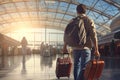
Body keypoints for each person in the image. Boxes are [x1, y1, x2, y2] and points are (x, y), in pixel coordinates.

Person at [62, 4, 100, 80]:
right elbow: (94, 35)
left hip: (75, 48)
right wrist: (96, 49)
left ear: (77, 11)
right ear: (85, 11)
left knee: (76, 66)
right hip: (86, 48)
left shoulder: (72, 20)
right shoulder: (89, 20)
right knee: (84, 67)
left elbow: (67, 34)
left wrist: (65, 47)